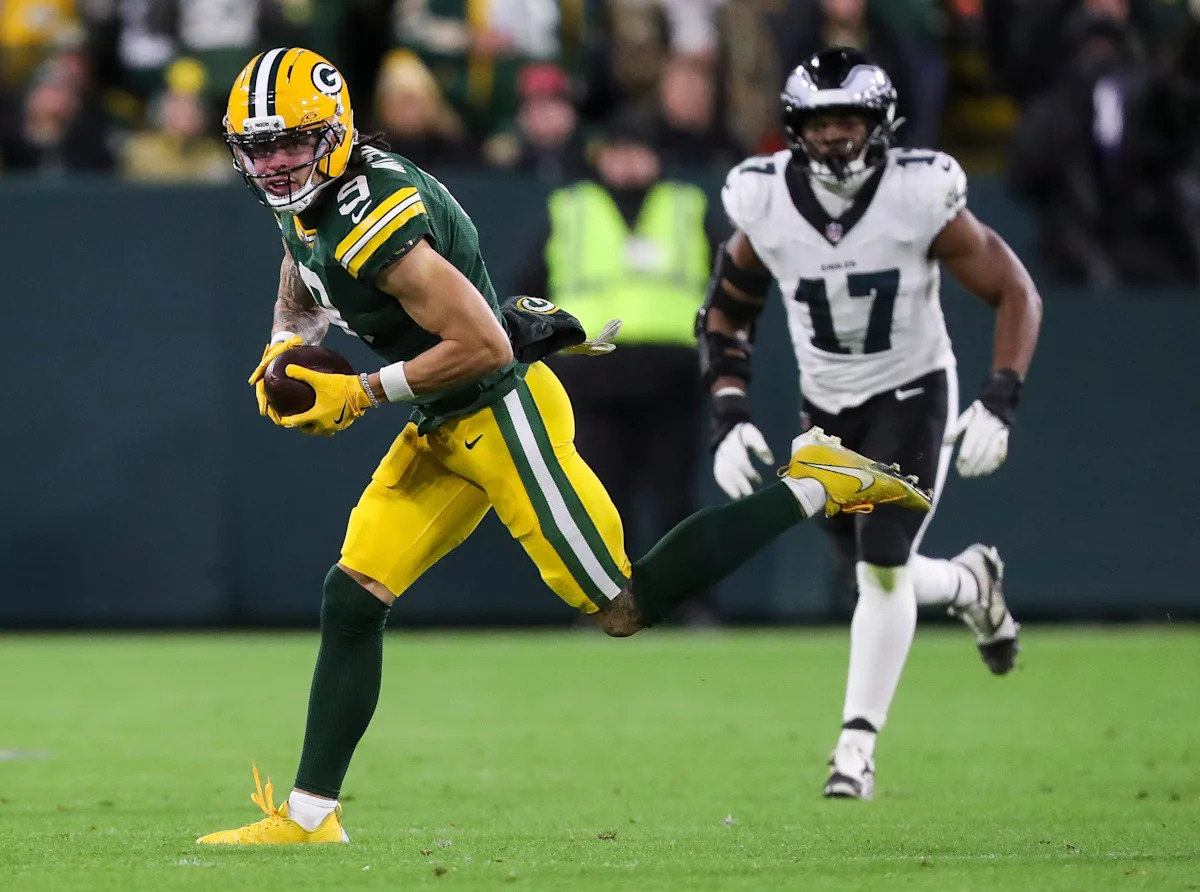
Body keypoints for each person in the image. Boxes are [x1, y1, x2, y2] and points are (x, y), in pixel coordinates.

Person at [195, 46, 933, 844]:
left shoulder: (375, 216)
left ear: (332, 133)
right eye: (258, 146)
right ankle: (311, 818)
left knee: (621, 604)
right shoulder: (309, 192)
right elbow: (301, 266)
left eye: (288, 143)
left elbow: (486, 346)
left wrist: (363, 392)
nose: (272, 163)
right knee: (353, 596)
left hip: (498, 407)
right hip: (444, 416)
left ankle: (814, 482)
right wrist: (282, 344)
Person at [701, 47, 1042, 801]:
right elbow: (726, 311)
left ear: (880, 122)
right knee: (869, 571)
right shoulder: (765, 202)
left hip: (911, 388)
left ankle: (855, 750)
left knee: (882, 560)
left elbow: (1016, 290)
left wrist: (999, 397)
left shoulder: (918, 193)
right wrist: (728, 411)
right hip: (827, 405)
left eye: (849, 119)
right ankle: (969, 582)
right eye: (820, 122)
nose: (834, 137)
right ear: (795, 128)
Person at [516, 110, 721, 622]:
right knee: (602, 502)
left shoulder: (686, 206)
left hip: (672, 377)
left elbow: (729, 282)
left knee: (677, 500)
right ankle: (608, 605)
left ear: (655, 157)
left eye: (636, 151)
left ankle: (689, 604)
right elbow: (527, 287)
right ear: (601, 157)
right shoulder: (570, 208)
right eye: (617, 151)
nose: (627, 162)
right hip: (593, 377)